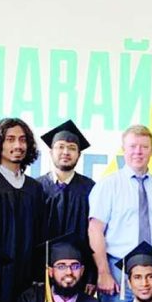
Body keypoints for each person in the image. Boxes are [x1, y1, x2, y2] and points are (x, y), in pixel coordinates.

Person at [88, 125, 152, 302]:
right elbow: (95, 230)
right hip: (119, 271)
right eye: (133, 146)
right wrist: (103, 273)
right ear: (123, 149)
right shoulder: (108, 185)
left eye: (144, 146)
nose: (138, 151)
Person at [0, 118, 46, 302]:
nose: (18, 145)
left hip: (27, 273)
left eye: (23, 140)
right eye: (10, 139)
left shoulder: (35, 188)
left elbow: (40, 234)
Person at [37, 120, 96, 286]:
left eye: (72, 148)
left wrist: (91, 276)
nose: (66, 152)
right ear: (50, 152)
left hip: (78, 274)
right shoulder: (35, 188)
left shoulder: (91, 189)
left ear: (79, 154)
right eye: (60, 146)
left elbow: (94, 235)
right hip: (41, 274)